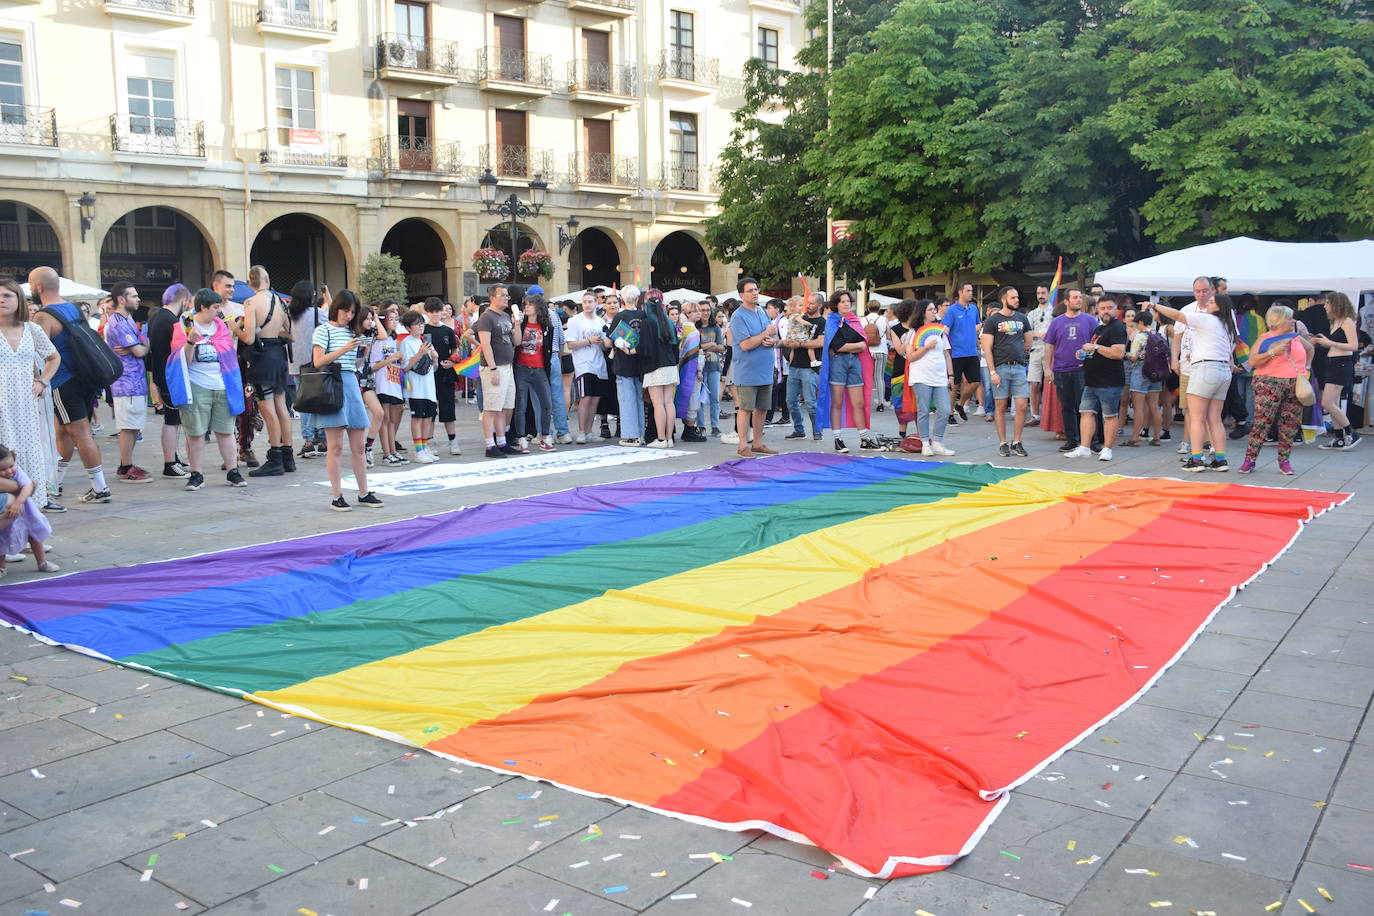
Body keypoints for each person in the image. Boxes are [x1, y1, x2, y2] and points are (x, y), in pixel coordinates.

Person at [28, 266, 109, 505]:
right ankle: (56, 484)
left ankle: (100, 488)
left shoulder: (44, 316)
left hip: (62, 382)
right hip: (84, 378)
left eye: (31, 284)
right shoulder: (73, 307)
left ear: (38, 287)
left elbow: (36, 355)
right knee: (63, 431)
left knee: (81, 433)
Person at [168, 288, 248, 491]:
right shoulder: (185, 326)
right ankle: (196, 474)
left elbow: (229, 354)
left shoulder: (221, 327)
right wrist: (190, 342)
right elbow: (181, 361)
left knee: (226, 431)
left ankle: (233, 471)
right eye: (215, 307)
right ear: (202, 307)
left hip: (223, 385)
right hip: (197, 386)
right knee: (195, 432)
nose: (218, 310)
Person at [312, 290, 383, 510]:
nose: (348, 315)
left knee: (359, 446)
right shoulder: (323, 330)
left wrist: (361, 351)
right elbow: (317, 361)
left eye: (353, 312)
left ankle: (363, 492)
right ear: (336, 308)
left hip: (351, 383)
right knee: (335, 446)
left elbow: (356, 363)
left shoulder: (353, 331)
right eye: (346, 310)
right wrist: (344, 349)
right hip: (332, 385)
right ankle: (337, 495)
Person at [1155, 292, 1239, 471]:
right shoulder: (1227, 326)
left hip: (1205, 370)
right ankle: (1220, 459)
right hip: (1223, 371)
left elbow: (1178, 316)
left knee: (1196, 417)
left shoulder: (1207, 319)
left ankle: (1196, 459)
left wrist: (1155, 306)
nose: (1207, 304)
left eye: (1211, 302)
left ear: (1219, 306)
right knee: (1215, 418)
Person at [0, 278, 61, 515]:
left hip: (25, 406)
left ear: (19, 299)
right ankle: (6, 530)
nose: (2, 300)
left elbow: (54, 358)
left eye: (7, 296)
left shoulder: (32, 330)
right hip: (2, 404)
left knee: (28, 457)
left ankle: (30, 526)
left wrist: (42, 381)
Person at [236, 266, 295, 478]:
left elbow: (249, 338)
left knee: (267, 409)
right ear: (267, 279)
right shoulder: (280, 301)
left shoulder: (251, 303)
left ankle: (275, 458)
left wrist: (236, 329)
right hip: (280, 356)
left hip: (262, 359)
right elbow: (291, 335)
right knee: (281, 407)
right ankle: (288, 457)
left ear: (251, 283)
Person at [1240, 302, 1311, 475]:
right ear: (1277, 321)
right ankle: (1250, 459)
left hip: (1294, 383)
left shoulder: (1295, 337)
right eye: (1289, 318)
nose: (1292, 320)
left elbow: (1310, 348)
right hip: (1268, 383)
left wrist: (1306, 368)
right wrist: (1273, 352)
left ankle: (1284, 461)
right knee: (1262, 422)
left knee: (1290, 424)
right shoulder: (1266, 338)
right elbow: (1253, 361)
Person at [1063, 293, 1128, 461]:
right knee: (1086, 412)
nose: (1106, 311)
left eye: (1109, 308)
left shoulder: (1117, 327)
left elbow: (1118, 353)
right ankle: (1084, 447)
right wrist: (1084, 353)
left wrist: (1096, 346)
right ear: (1097, 310)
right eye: (1103, 308)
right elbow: (1095, 350)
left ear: (1116, 309)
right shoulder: (1099, 329)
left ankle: (1107, 449)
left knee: (1109, 416)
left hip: (1109, 381)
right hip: (1092, 380)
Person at [102, 281, 153, 483]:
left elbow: (138, 346)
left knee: (133, 426)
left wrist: (140, 344)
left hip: (135, 382)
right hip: (126, 383)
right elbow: (140, 350)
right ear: (121, 299)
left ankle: (128, 463)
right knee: (128, 426)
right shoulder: (118, 322)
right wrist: (145, 344)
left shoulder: (128, 319)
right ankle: (125, 467)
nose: (138, 298)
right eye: (133, 295)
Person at [726, 277, 780, 457]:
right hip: (747, 370)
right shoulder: (738, 316)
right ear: (741, 295)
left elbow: (768, 337)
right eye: (750, 290)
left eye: (756, 289)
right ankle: (743, 445)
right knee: (746, 408)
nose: (755, 293)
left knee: (763, 408)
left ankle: (757, 443)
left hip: (764, 369)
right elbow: (745, 345)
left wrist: (771, 341)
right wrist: (765, 335)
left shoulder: (761, 311)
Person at [1042, 288, 1099, 454]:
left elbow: (1097, 341)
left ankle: (1091, 441)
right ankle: (1072, 439)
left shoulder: (1090, 320)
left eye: (1080, 297)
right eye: (1075, 298)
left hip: (1083, 369)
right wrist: (1048, 368)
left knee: (1086, 407)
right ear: (1066, 301)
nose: (1079, 300)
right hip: (1061, 369)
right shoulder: (1057, 322)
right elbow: (1049, 345)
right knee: (1067, 406)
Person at [980, 285, 1034, 458]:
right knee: (1000, 406)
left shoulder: (1022, 319)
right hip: (1000, 368)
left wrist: (1019, 352)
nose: (1016, 300)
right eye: (1013, 297)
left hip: (1018, 367)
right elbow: (986, 348)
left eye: (1017, 297)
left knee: (1022, 406)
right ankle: (1003, 443)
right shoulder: (993, 320)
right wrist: (992, 372)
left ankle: (1017, 441)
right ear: (1004, 299)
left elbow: (1028, 342)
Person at [147, 283, 190, 479]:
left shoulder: (157, 317)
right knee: (172, 420)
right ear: (182, 300)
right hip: (170, 376)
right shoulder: (171, 321)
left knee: (174, 419)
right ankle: (169, 463)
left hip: (161, 374)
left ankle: (173, 457)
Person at [819, 289, 870, 454]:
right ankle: (837, 438)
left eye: (848, 300)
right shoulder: (832, 321)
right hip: (838, 362)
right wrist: (857, 346)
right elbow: (837, 345)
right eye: (842, 301)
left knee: (859, 403)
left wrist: (854, 346)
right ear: (836, 304)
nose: (846, 303)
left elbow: (863, 342)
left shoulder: (854, 319)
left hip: (854, 361)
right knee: (837, 402)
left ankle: (864, 438)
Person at [904, 299, 956, 456]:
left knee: (945, 410)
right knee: (924, 410)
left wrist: (951, 375)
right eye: (930, 309)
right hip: (921, 376)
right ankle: (925, 442)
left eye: (934, 309)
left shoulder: (940, 331)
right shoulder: (913, 332)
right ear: (922, 312)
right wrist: (926, 347)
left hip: (940, 376)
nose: (934, 312)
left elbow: (947, 355)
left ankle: (938, 442)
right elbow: (910, 357)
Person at [475, 284, 521, 458]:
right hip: (493, 367)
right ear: (492, 297)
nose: (506, 298)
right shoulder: (486, 317)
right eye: (502, 295)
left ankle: (502, 442)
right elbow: (485, 344)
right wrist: (492, 368)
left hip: (507, 366)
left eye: (507, 296)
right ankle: (490, 445)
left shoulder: (505, 316)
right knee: (491, 407)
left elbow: (517, 341)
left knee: (505, 407)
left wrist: (517, 322)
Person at [0, 445, 60, 577]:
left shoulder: (17, 472)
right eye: (3, 469)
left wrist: (18, 501)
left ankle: (42, 562)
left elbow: (28, 486)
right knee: (2, 538)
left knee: (34, 536)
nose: (9, 471)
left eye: (11, 466)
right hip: (7, 513)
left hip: (26, 512)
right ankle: (1, 567)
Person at [1313, 291, 1361, 450]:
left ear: (1336, 304)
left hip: (1342, 363)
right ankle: (1339, 437)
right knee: (1332, 402)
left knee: (1327, 402)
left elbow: (1353, 346)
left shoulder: (1347, 321)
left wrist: (1329, 343)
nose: (1325, 306)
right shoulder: (1336, 322)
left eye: (1327, 303)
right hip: (1333, 362)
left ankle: (1350, 432)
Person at [513, 294, 556, 451]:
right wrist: (516, 324)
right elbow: (515, 343)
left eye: (530, 304)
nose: (527, 307)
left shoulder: (547, 327)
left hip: (539, 369)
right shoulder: (521, 324)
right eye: (525, 304)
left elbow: (549, 351)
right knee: (521, 405)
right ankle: (521, 438)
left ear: (538, 307)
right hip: (521, 368)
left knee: (547, 404)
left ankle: (545, 436)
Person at [566, 290, 609, 444]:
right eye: (584, 302)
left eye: (590, 301)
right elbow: (570, 344)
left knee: (595, 399)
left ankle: (590, 431)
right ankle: (581, 431)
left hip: (599, 363)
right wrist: (589, 341)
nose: (587, 304)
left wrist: (603, 343)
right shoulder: (575, 321)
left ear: (596, 303)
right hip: (583, 364)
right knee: (585, 397)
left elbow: (604, 346)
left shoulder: (600, 322)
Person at [607, 285, 648, 447]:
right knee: (639, 399)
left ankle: (631, 436)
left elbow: (610, 341)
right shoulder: (644, 315)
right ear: (637, 299)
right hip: (641, 362)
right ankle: (640, 433)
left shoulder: (620, 316)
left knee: (626, 399)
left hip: (624, 362)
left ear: (622, 299)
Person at [420, 297, 461, 455]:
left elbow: (455, 350)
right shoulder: (424, 330)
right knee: (430, 407)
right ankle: (429, 440)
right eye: (432, 312)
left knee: (448, 406)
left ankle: (453, 440)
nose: (435, 314)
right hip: (429, 373)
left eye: (438, 311)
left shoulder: (448, 331)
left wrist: (452, 361)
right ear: (427, 313)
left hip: (446, 372)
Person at [640, 290, 681, 448]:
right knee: (669, 403)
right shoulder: (668, 322)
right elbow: (675, 346)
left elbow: (644, 348)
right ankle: (669, 439)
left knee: (658, 404)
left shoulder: (648, 322)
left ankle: (661, 439)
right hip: (670, 366)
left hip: (654, 367)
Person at [399, 310, 440, 462]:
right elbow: (405, 368)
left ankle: (424, 447)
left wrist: (435, 358)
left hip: (429, 387)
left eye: (422, 323)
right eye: (416, 324)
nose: (420, 326)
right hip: (415, 388)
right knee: (418, 418)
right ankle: (418, 450)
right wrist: (420, 353)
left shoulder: (425, 341)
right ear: (409, 328)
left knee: (428, 417)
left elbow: (432, 367)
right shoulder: (406, 343)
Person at [783, 292, 825, 441]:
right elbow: (789, 339)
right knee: (790, 401)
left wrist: (799, 344)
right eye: (807, 303)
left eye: (812, 303)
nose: (808, 305)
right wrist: (789, 343)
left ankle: (817, 430)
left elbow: (820, 342)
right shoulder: (800, 317)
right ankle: (799, 429)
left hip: (810, 368)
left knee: (810, 403)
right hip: (794, 366)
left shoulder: (822, 322)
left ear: (819, 305)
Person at [368, 309, 407, 466]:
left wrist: (399, 359)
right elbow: (373, 366)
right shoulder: (378, 341)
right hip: (383, 384)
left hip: (394, 383)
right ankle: (386, 453)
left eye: (396, 318)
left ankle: (392, 451)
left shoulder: (393, 340)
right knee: (385, 419)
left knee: (392, 419)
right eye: (391, 318)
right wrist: (391, 358)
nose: (395, 321)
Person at [1123, 308, 1164, 446]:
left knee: (1138, 407)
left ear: (1140, 322)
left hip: (1140, 371)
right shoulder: (1158, 335)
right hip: (1155, 373)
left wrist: (1126, 354)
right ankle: (1157, 437)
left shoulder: (1139, 336)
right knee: (1155, 407)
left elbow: (1134, 357)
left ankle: (1135, 438)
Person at [945, 282, 982, 418]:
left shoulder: (973, 309)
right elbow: (946, 330)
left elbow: (978, 324)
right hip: (956, 353)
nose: (971, 293)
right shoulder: (952, 310)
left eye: (972, 290)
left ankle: (960, 404)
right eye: (968, 291)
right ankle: (950, 414)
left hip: (971, 351)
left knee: (976, 381)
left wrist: (976, 333)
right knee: (955, 384)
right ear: (960, 292)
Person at [698, 302, 728, 436]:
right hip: (698, 367)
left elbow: (721, 347)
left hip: (714, 365)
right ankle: (701, 426)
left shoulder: (715, 327)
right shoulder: (695, 327)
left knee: (715, 397)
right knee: (699, 398)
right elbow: (694, 347)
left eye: (707, 310)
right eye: (702, 310)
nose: (705, 313)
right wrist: (711, 344)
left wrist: (703, 346)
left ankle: (715, 426)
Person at [1026, 283, 1052, 425]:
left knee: (1050, 384)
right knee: (1034, 384)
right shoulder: (1032, 313)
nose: (1040, 296)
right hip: (1035, 350)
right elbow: (1027, 332)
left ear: (1048, 294)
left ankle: (1049, 415)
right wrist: (1038, 334)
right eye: (1038, 293)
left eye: (1043, 293)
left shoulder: (1055, 312)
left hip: (1050, 351)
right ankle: (1035, 415)